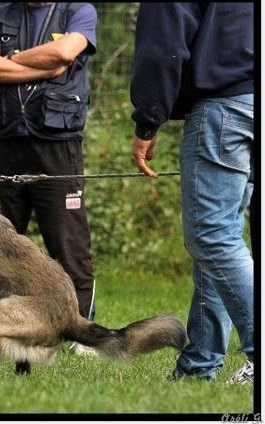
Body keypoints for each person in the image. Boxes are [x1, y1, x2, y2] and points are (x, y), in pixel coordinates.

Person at [130, 3, 254, 383]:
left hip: (227, 106)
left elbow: (162, 45)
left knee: (212, 237)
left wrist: (148, 121)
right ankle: (199, 365)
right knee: (221, 241)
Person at [0, 2, 98, 355]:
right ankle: (2, 325)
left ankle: (82, 331)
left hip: (58, 146)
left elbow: (64, 52)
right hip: (5, 145)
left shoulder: (80, 11)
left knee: (67, 242)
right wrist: (45, 69)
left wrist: (10, 61)